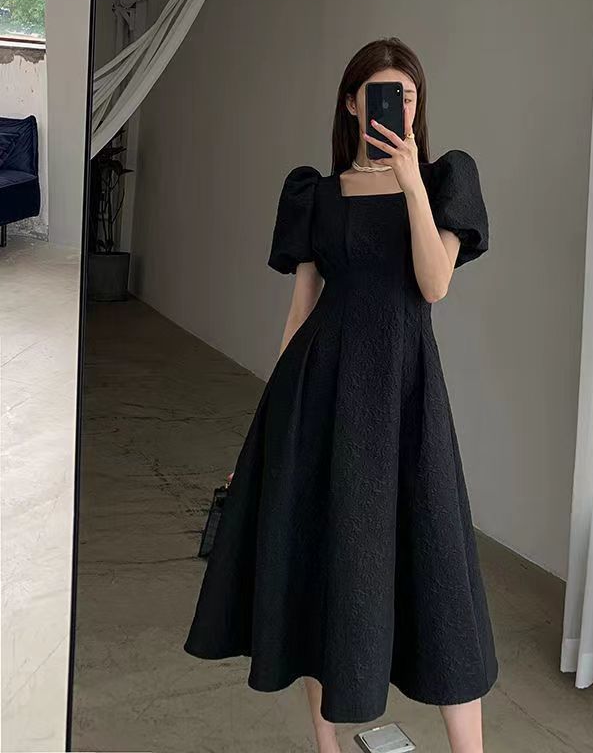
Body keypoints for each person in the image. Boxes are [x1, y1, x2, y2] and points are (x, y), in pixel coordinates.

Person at [183, 37, 498, 753]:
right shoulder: (315, 194)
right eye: (382, 94)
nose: (397, 107)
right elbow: (301, 313)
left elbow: (434, 285)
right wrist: (266, 432)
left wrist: (410, 183)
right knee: (322, 565)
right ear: (352, 104)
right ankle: (327, 748)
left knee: (439, 578)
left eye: (408, 96)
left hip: (406, 399)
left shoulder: (447, 179)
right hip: (319, 394)